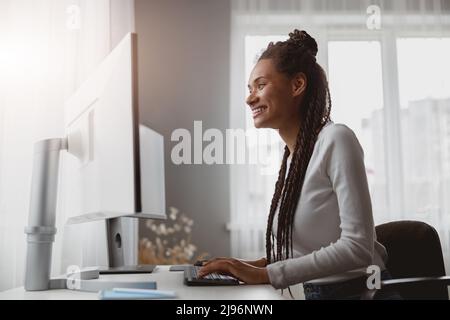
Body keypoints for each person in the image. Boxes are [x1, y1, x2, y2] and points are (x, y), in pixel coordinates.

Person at [198, 29, 400, 300]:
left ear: (297, 85)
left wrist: (264, 275)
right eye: (249, 89)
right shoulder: (293, 159)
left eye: (260, 85)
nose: (249, 98)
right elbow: (305, 250)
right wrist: (244, 266)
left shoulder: (336, 139)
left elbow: (357, 248)